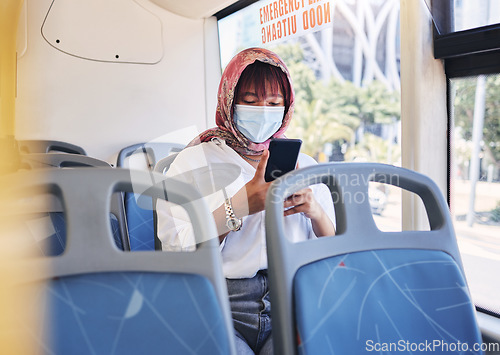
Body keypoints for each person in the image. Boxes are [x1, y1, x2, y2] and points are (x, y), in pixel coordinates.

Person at [156, 47, 335, 355]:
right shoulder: (194, 162)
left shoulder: (303, 165)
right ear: (229, 101)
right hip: (218, 299)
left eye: (273, 103)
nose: (263, 111)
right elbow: (176, 247)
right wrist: (242, 205)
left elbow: (334, 249)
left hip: (292, 295)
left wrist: (316, 213)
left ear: (286, 107)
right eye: (250, 102)